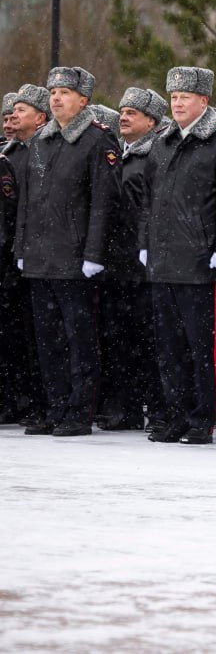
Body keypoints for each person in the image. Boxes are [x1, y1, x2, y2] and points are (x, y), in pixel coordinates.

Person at [140, 67, 216, 444]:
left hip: (201, 262)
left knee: (203, 348)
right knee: (170, 347)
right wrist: (146, 242)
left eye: (184, 97)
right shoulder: (163, 141)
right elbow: (148, 199)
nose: (177, 103)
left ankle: (202, 419)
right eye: (173, 97)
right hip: (164, 260)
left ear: (203, 100)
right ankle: (176, 416)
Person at [14, 67, 122, 436]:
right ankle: (55, 406)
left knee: (80, 339)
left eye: (64, 92)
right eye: (53, 92)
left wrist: (94, 253)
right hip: (40, 256)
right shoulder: (40, 141)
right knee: (47, 340)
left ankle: (79, 411)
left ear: (83, 100)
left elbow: (104, 204)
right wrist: (22, 246)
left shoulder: (97, 141)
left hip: (76, 258)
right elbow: (28, 200)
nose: (56, 98)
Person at [97, 87, 168, 432]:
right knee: (119, 340)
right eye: (122, 112)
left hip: (144, 265)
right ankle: (125, 408)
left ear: (151, 122)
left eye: (132, 113)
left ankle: (159, 409)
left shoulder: (157, 154)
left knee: (149, 341)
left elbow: (152, 211)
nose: (123, 118)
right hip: (117, 264)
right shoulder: (119, 153)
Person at [0, 85, 50, 427]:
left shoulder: (41, 151)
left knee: (33, 337)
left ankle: (35, 400)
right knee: (13, 337)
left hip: (31, 256)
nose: (11, 119)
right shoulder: (11, 154)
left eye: (20, 111)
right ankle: (15, 399)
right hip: (16, 255)